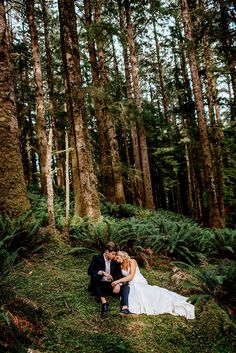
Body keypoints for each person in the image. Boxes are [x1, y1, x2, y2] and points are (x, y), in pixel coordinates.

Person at [112, 251, 195, 319]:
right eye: (115, 259)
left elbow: (131, 276)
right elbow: (123, 278)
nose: (117, 260)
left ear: (122, 255)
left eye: (117, 258)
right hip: (131, 284)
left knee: (154, 294)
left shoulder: (132, 261)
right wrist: (119, 283)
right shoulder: (121, 266)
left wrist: (117, 281)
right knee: (131, 295)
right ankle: (126, 308)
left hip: (139, 281)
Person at [88, 241, 131, 316]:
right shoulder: (97, 258)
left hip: (111, 285)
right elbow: (90, 270)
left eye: (115, 254)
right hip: (99, 284)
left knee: (126, 287)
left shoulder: (114, 261)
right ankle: (104, 303)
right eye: (113, 254)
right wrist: (103, 273)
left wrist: (118, 284)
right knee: (94, 278)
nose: (114, 256)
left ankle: (124, 308)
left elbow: (119, 274)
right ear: (107, 251)